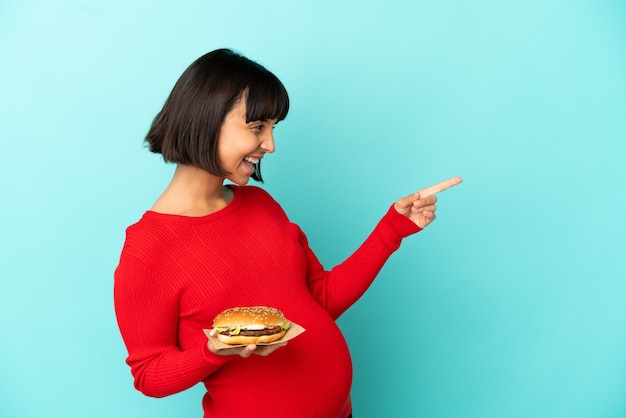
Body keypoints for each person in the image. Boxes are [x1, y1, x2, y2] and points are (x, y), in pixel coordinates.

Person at [113, 48, 461, 418]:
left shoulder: (260, 204)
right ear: (206, 119)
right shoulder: (148, 249)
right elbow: (149, 374)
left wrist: (392, 229)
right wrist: (212, 350)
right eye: (257, 127)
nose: (271, 144)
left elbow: (318, 300)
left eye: (273, 128)